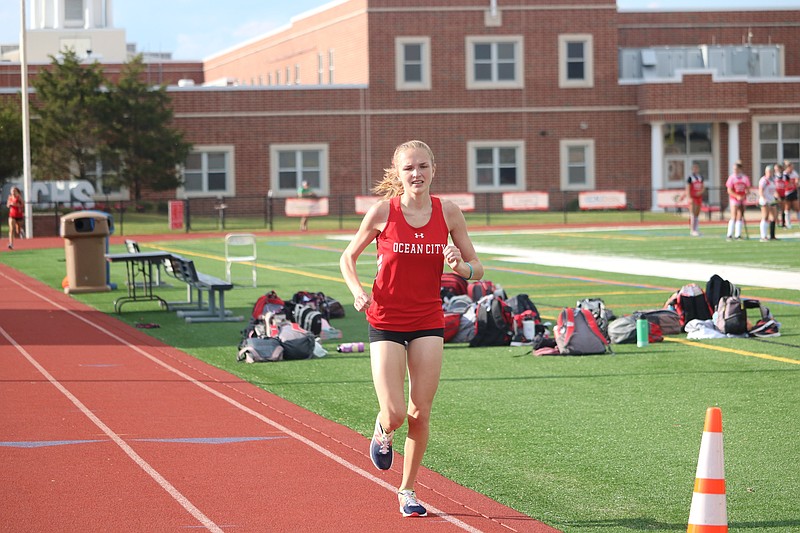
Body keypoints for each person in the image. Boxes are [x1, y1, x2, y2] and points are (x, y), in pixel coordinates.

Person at [339, 140, 484, 518]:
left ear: (434, 170)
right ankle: (383, 429)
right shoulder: (383, 212)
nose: (416, 174)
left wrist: (460, 266)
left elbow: (476, 268)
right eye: (409, 168)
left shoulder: (448, 212)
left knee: (421, 411)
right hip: (385, 319)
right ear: (398, 173)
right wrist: (357, 292)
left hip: (428, 320)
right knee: (397, 413)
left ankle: (407, 490)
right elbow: (348, 257)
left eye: (422, 166)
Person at [725, 162, 750, 240]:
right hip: (734, 199)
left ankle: (738, 235)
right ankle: (729, 234)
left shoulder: (745, 178)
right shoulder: (732, 178)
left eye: (736, 169)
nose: (735, 170)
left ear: (740, 169)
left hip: (743, 199)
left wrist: (745, 194)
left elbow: (748, 188)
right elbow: (729, 190)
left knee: (740, 216)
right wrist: (737, 196)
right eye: (734, 169)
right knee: (734, 216)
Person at [758, 165, 778, 241]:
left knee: (773, 217)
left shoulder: (773, 179)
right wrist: (763, 199)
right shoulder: (763, 180)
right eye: (768, 172)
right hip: (765, 200)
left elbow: (774, 190)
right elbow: (760, 190)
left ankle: (772, 235)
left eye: (771, 171)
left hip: (772, 200)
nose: (770, 173)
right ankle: (763, 236)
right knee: (765, 217)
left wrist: (776, 197)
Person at [685, 163, 705, 236]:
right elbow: (687, 188)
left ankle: (696, 229)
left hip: (699, 197)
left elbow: (703, 187)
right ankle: (692, 230)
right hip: (693, 197)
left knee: (697, 213)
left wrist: (700, 192)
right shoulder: (690, 178)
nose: (695, 169)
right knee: (692, 213)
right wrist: (689, 197)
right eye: (694, 168)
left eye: (696, 168)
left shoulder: (700, 177)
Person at [782, 160, 799, 229]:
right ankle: (788, 223)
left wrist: (796, 183)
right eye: (790, 167)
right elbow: (785, 183)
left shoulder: (794, 173)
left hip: (793, 192)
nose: (792, 168)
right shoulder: (785, 174)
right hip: (787, 193)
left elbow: (797, 181)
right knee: (787, 208)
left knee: (797, 207)